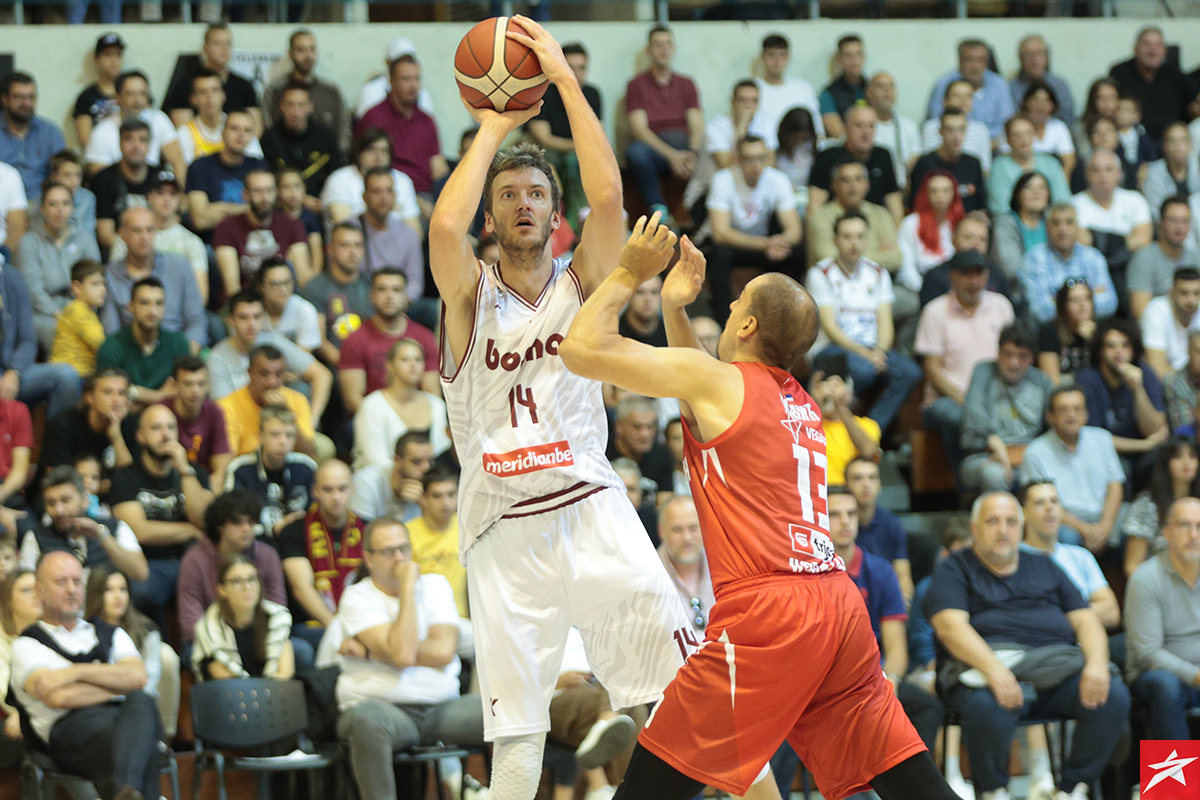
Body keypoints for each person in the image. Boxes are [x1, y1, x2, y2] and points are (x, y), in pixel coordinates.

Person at [559, 212, 953, 800]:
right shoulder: (799, 402)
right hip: (836, 605)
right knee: (910, 782)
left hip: (771, 610)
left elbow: (580, 348)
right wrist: (674, 311)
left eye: (738, 295)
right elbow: (700, 393)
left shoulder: (718, 383)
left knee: (650, 786)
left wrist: (626, 272)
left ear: (743, 323)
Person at [430, 19, 692, 800]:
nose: (522, 203)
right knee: (517, 739)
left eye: (537, 194)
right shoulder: (469, 295)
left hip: (591, 508)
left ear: (555, 217)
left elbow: (610, 195)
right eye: (508, 195)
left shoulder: (585, 287)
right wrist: (494, 127)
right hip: (502, 526)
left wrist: (566, 84)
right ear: (492, 216)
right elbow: (444, 225)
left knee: (676, 695)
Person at [924, 491, 1130, 800]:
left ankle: (1071, 788)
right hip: (986, 671)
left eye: (1010, 522)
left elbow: (1087, 620)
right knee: (986, 705)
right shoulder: (955, 568)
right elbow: (950, 628)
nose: (1003, 529)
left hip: (1054, 668)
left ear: (1021, 528)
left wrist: (1097, 665)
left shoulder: (1044, 566)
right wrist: (995, 671)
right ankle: (993, 791)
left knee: (1113, 694)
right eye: (992, 522)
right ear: (975, 529)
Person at [328, 517, 484, 800]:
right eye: (388, 552)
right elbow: (402, 654)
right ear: (369, 558)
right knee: (366, 721)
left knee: (508, 708)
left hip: (442, 709)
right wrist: (408, 589)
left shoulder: (436, 586)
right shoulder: (357, 596)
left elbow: (442, 652)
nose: (400, 559)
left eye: (404, 549)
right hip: (384, 709)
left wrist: (370, 652)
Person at [9, 551, 161, 800]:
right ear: (39, 591)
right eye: (61, 582)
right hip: (71, 733)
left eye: (77, 581)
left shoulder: (109, 633)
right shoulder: (27, 645)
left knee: (141, 702)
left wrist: (74, 672)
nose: (71, 589)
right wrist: (115, 681)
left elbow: (137, 678)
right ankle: (128, 791)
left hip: (122, 719)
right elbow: (59, 698)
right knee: (141, 743)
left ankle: (126, 791)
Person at [807, 212, 922, 433]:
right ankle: (833, 427)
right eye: (847, 236)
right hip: (831, 349)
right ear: (835, 240)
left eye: (860, 236)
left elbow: (885, 322)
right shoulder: (820, 273)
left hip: (870, 349)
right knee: (865, 370)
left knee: (910, 372)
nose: (854, 243)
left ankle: (871, 431)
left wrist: (879, 351)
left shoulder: (877, 273)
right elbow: (830, 328)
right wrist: (867, 356)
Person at [112, 404, 215, 633]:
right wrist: (189, 530)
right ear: (140, 436)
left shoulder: (194, 473)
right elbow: (139, 531)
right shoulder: (126, 476)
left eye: (170, 427)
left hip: (194, 558)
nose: (166, 434)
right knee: (142, 591)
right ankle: (161, 649)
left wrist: (184, 470)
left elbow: (204, 519)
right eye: (156, 428)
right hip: (149, 563)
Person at [915, 260, 1015, 470]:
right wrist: (965, 401)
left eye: (978, 274)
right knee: (960, 417)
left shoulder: (1001, 305)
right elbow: (932, 369)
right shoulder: (935, 310)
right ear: (952, 277)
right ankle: (967, 483)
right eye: (966, 274)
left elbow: (1013, 352)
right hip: (946, 399)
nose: (973, 281)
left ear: (987, 276)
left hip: (992, 397)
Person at [1124, 496, 1200, 739]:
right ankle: (1171, 778)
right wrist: (1195, 675)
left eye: (1199, 526)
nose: (1193, 535)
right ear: (1166, 533)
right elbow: (1148, 652)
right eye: (1184, 525)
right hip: (1155, 674)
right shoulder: (1146, 578)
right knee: (1166, 687)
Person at [705, 135, 801, 322]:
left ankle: (792, 316)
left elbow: (794, 231)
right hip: (733, 245)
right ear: (737, 160)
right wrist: (765, 244)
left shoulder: (778, 179)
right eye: (749, 159)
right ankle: (723, 321)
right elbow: (720, 233)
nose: (756, 164)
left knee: (798, 252)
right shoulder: (722, 180)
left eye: (761, 158)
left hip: (764, 245)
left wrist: (778, 243)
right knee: (720, 255)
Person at [1020, 386, 1125, 553]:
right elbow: (1039, 502)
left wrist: (1105, 526)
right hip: (1066, 521)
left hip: (1104, 515)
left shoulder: (1102, 439)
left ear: (1086, 414)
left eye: (1077, 409)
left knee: (1138, 525)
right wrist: (1085, 529)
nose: (1071, 415)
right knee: (1064, 536)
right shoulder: (1036, 452)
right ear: (1051, 416)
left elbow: (1115, 486)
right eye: (1063, 410)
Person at [278, 458, 364, 653]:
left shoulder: (368, 529)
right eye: (328, 490)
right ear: (315, 491)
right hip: (313, 625)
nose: (336, 497)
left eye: (342, 489)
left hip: (362, 621)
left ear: (352, 489)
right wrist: (337, 629)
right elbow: (301, 588)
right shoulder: (293, 531)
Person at [85, 563, 180, 739]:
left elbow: (148, 684)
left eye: (123, 589)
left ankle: (166, 740)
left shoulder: (146, 630)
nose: (118, 596)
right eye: (109, 590)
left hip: (138, 706)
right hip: (97, 708)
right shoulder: (83, 631)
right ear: (95, 594)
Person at [205, 290, 330, 417]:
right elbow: (223, 412)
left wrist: (311, 421)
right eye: (243, 317)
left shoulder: (274, 342)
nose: (251, 324)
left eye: (257, 317)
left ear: (264, 317)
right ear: (230, 320)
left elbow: (322, 375)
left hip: (280, 426)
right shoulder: (217, 358)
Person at [1074, 318, 1168, 486]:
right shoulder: (1087, 380)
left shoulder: (1143, 372)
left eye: (1125, 346)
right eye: (1111, 346)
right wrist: (1144, 445)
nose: (1119, 352)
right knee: (1117, 467)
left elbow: (1155, 429)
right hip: (1105, 454)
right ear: (1100, 351)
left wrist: (1138, 390)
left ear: (1133, 350)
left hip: (1141, 456)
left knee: (1162, 458)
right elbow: (1094, 438)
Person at [622, 26, 703, 220]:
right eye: (658, 45)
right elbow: (639, 129)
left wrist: (691, 152)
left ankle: (697, 211)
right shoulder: (636, 85)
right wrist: (672, 156)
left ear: (673, 48)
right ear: (649, 50)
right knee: (635, 152)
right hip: (654, 148)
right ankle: (658, 208)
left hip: (683, 144)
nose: (663, 49)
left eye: (667, 44)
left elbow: (697, 124)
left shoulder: (686, 83)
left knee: (710, 147)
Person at [16, 466, 148, 582]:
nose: (59, 510)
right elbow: (28, 585)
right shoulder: (36, 537)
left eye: (65, 500)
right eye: (51, 503)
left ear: (85, 499)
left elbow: (140, 573)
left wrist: (101, 535)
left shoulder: (116, 527)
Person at [101, 207, 208, 349]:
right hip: (131, 353)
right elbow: (111, 332)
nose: (144, 237)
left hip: (177, 349)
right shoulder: (109, 275)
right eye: (136, 231)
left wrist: (186, 357)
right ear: (122, 234)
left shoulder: (179, 265)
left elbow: (196, 320)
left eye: (149, 230)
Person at [338, 267, 438, 415]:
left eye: (396, 290)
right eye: (382, 289)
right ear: (372, 296)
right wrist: (391, 422)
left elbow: (432, 393)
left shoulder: (425, 337)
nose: (389, 296)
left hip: (417, 414)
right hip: (372, 417)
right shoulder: (354, 341)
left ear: (406, 297)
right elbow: (352, 400)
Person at [1021, 482, 1121, 630]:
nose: (1049, 508)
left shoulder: (1081, 556)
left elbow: (1111, 613)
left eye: (1054, 501)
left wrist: (1056, 618)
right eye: (1039, 503)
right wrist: (1082, 616)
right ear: (1024, 513)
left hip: (1081, 645)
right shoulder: (1014, 557)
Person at [526, 42, 603, 230]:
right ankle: (556, 223)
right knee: (556, 160)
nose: (577, 73)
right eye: (571, 67)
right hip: (547, 151)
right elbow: (543, 137)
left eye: (581, 68)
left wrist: (580, 149)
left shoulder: (591, 93)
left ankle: (580, 223)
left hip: (575, 152)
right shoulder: (544, 92)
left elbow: (597, 134)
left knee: (582, 161)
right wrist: (577, 146)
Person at [16, 181, 100, 351]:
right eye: (53, 204)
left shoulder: (85, 238)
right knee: (60, 332)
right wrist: (62, 315)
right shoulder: (30, 242)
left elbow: (95, 278)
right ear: (42, 209)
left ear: (72, 208)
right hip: (44, 313)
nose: (59, 209)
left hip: (81, 308)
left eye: (65, 203)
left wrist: (80, 312)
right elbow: (33, 289)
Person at [354, 53, 448, 205]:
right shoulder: (374, 117)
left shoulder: (427, 121)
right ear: (392, 81)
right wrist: (415, 201)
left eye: (417, 79)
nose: (413, 85)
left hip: (427, 193)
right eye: (406, 79)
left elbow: (438, 167)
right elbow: (368, 167)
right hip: (391, 193)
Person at [0, 247, 82, 419]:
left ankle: (56, 444)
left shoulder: (12, 277)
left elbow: (28, 340)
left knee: (66, 376)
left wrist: (14, 372)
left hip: (12, 372)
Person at [109, 172, 209, 307]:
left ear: (180, 199)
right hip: (130, 309)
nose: (167, 199)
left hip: (176, 313)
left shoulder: (192, 242)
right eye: (160, 192)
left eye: (172, 193)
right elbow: (115, 282)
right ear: (148, 196)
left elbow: (200, 296)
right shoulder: (125, 237)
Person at [191, 553, 294, 682]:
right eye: (237, 581)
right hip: (231, 697)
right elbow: (228, 681)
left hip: (273, 694)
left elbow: (285, 673)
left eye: (252, 579)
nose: (247, 587)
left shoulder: (277, 618)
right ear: (222, 590)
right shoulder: (209, 628)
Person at [213, 168, 310, 302]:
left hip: (282, 304)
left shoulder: (292, 225)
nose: (265, 198)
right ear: (245, 195)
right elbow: (232, 288)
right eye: (258, 191)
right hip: (243, 307)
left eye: (269, 191)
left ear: (276, 193)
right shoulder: (227, 227)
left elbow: (303, 279)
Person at [353, 338, 450, 471]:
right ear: (390, 365)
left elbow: (444, 454)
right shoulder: (372, 405)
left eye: (418, 359)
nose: (413, 364)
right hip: (385, 483)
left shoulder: (438, 405)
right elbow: (375, 460)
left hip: (431, 485)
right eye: (405, 359)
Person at [96, 278, 192, 406]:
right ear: (131, 307)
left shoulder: (178, 343)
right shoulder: (112, 347)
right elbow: (110, 399)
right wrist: (160, 397)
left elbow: (183, 393)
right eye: (144, 303)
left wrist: (135, 393)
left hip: (167, 420)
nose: (152, 311)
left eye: (159, 303)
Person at [219, 344, 320, 459]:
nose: (272, 382)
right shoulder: (227, 406)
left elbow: (310, 455)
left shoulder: (297, 400)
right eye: (264, 374)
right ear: (250, 373)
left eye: (279, 375)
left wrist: (285, 412)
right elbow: (228, 461)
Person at [84, 71, 186, 186]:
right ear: (117, 98)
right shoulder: (101, 133)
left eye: (142, 94)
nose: (137, 100)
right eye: (130, 94)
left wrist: (182, 195)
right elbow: (99, 179)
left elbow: (178, 163)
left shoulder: (159, 119)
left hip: (154, 193)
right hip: (117, 194)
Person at [1022, 204, 1118, 324]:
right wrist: (1089, 299)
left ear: (1077, 227)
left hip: (1090, 330)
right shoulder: (1034, 258)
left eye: (1069, 222)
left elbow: (1110, 304)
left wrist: (1059, 300)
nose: (1063, 229)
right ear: (1046, 227)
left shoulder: (1093, 256)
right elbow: (1039, 310)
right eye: (1056, 223)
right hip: (1050, 334)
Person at [808, 105, 903, 223]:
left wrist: (895, 234)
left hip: (874, 225)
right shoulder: (828, 157)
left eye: (871, 126)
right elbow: (815, 205)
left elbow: (894, 201)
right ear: (846, 128)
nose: (866, 132)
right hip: (836, 224)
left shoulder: (883, 155)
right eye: (859, 125)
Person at [1123, 436, 1200, 577]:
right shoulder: (1146, 505)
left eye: (1192, 456)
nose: (1186, 462)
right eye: (1178, 456)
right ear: (1166, 463)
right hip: (1159, 584)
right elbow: (1132, 566)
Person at [806, 159, 901, 275]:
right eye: (846, 180)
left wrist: (848, 254)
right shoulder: (820, 217)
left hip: (875, 284)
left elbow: (896, 259)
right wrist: (879, 252)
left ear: (868, 184)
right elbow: (828, 258)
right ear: (834, 185)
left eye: (859, 179)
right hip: (831, 285)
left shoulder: (881, 214)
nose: (853, 186)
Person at [263, 29, 349, 154]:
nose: (308, 55)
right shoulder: (275, 92)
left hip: (326, 165)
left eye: (312, 49)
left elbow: (344, 133)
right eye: (301, 50)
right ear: (291, 53)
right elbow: (270, 133)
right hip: (285, 165)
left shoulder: (331, 92)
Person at [161, 24, 260, 131]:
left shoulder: (244, 86)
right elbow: (182, 129)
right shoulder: (185, 86)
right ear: (205, 48)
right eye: (218, 43)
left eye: (228, 43)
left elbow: (256, 127)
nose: (225, 48)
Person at [184, 110, 267, 237]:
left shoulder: (259, 166)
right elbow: (200, 221)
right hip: (212, 242)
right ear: (223, 132)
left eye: (247, 130)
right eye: (234, 128)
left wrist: (220, 208)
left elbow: (267, 213)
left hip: (253, 240)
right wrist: (249, 209)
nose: (240, 135)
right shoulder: (200, 166)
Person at [301, 221, 373, 367]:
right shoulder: (315, 288)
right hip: (337, 364)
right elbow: (320, 341)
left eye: (358, 245)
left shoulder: (374, 285)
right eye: (345, 245)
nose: (353, 251)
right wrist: (350, 366)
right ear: (330, 249)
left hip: (373, 361)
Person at [843, 456, 914, 604]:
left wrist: (903, 604)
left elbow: (903, 576)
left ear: (880, 484)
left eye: (872, 477)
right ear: (846, 486)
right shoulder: (837, 524)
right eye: (857, 478)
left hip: (884, 600)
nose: (866, 484)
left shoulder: (892, 523)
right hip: (847, 599)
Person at [321, 127, 421, 230]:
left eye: (384, 151)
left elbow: (415, 232)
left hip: (396, 244)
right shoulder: (339, 179)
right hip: (355, 244)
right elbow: (345, 227)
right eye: (372, 149)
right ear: (359, 153)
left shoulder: (403, 181)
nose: (379, 156)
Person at [38, 369, 132, 477]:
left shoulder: (130, 424)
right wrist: (106, 486)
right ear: (89, 397)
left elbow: (131, 482)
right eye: (107, 392)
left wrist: (116, 437)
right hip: (69, 492)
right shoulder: (63, 425)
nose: (116, 400)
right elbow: (57, 481)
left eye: (122, 393)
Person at [1108, 26, 1194, 141]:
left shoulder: (1176, 74)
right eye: (1146, 44)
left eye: (1158, 45)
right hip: (1131, 140)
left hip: (1171, 142)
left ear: (1165, 50)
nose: (1152, 50)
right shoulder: (1119, 73)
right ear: (1135, 48)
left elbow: (1195, 101)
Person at [260, 83, 343, 200]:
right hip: (281, 203)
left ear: (310, 107)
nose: (295, 111)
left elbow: (337, 175)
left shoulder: (326, 137)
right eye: (290, 104)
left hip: (320, 201)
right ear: (281, 106)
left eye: (301, 105)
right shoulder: (269, 139)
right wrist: (302, 200)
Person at [926, 38, 1015, 140]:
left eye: (981, 60)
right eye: (969, 60)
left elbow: (1008, 124)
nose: (975, 66)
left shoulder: (999, 84)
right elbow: (935, 123)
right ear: (959, 61)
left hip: (994, 146)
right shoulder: (944, 84)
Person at [164, 356, 231, 489]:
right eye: (188, 384)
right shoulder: (161, 411)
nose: (195, 391)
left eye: (201, 384)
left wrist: (211, 492)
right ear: (174, 385)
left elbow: (222, 459)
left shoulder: (214, 411)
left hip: (203, 481)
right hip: (168, 482)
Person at [174, 69, 265, 167]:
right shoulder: (184, 133)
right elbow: (186, 174)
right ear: (193, 99)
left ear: (223, 95)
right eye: (203, 92)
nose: (210, 97)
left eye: (215, 90)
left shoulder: (239, 127)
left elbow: (258, 165)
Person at [806, 371, 881, 490]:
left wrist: (841, 406)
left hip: (850, 493)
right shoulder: (807, 423)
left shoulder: (867, 424)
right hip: (816, 490)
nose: (830, 393)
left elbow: (868, 452)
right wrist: (813, 402)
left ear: (850, 394)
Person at [90, 119, 156, 253]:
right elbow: (105, 234)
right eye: (129, 139)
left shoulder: (160, 177)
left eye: (142, 140)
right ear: (119, 144)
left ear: (149, 145)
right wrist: (136, 249)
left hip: (155, 246)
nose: (136, 145)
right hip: (119, 250)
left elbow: (171, 223)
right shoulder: (104, 179)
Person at [1129, 197, 1200, 320]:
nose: (1180, 227)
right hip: (1156, 331)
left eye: (1185, 221)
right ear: (1160, 224)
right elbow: (1141, 314)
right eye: (1173, 220)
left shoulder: (1196, 256)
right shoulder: (1143, 258)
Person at [988, 116, 1071, 220]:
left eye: (1028, 133)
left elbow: (1063, 201)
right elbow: (1001, 208)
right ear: (1008, 140)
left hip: (1051, 223)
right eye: (1017, 135)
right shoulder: (999, 166)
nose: (1024, 139)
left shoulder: (1051, 163)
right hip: (1013, 225)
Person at [0, 73, 66, 202]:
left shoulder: (50, 132)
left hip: (41, 204)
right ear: (4, 99)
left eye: (31, 97)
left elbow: (62, 174)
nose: (26, 103)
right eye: (19, 97)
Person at [896, 171, 963, 295]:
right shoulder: (911, 223)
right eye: (934, 191)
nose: (940, 196)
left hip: (958, 290)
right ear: (925, 194)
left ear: (954, 194)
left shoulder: (962, 223)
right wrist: (926, 291)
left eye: (946, 190)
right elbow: (906, 268)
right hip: (920, 288)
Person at [655, 495, 712, 639]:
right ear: (661, 531)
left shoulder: (725, 565)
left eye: (693, 528)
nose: (687, 537)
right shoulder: (648, 574)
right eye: (677, 530)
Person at [908, 110, 986, 215]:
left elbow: (981, 207)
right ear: (940, 132)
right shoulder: (924, 164)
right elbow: (915, 206)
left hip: (966, 225)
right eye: (950, 130)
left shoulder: (973, 164)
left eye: (961, 129)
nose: (956, 136)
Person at [0, 568, 40, 771]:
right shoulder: (1, 637)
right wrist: (18, 712)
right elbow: (2, 689)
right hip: (10, 716)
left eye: (38, 588)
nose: (35, 595)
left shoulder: (56, 630)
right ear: (8, 599)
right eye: (26, 590)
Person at [357, 166, 423, 288]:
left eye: (389, 191)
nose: (384, 198)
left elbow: (415, 281)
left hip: (399, 302)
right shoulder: (350, 230)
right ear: (365, 197)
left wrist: (398, 301)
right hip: (360, 300)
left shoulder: (408, 234)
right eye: (376, 191)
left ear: (394, 196)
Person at [753, 34, 822, 142]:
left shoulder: (803, 87)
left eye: (782, 55)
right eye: (771, 55)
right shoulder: (753, 88)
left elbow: (816, 125)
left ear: (788, 57)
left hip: (799, 150)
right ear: (763, 57)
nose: (777, 60)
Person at [49, 260, 107, 381]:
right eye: (95, 284)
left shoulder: (88, 311)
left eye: (104, 284)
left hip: (82, 373)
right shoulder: (77, 310)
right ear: (77, 287)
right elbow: (99, 343)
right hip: (76, 373)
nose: (102, 290)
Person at [920, 80, 994, 174]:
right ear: (945, 101)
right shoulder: (931, 126)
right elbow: (929, 163)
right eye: (957, 95)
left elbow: (985, 169)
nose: (963, 100)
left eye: (968, 96)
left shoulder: (981, 129)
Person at [866, 72, 921, 192]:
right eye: (881, 86)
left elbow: (915, 159)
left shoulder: (909, 126)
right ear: (869, 93)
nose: (887, 90)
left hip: (903, 189)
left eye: (891, 86)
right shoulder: (863, 125)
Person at [1141, 266, 1200, 377]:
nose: (1191, 300)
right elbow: (1157, 370)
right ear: (1171, 293)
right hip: (1169, 386)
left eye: (1197, 293)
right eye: (1184, 293)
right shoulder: (1156, 311)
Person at [1009, 82, 1076, 177]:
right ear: (1026, 102)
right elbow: (1007, 156)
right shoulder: (1016, 125)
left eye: (1046, 100)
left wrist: (1062, 182)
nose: (1041, 105)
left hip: (1054, 177)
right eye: (1036, 100)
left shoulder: (1059, 127)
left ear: (1053, 106)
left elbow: (1069, 159)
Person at [1037, 280, 1097, 385]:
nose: (1082, 305)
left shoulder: (1100, 330)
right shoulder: (1050, 332)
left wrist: (1094, 340)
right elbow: (1051, 381)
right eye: (1075, 300)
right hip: (1064, 392)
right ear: (1062, 306)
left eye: (1087, 299)